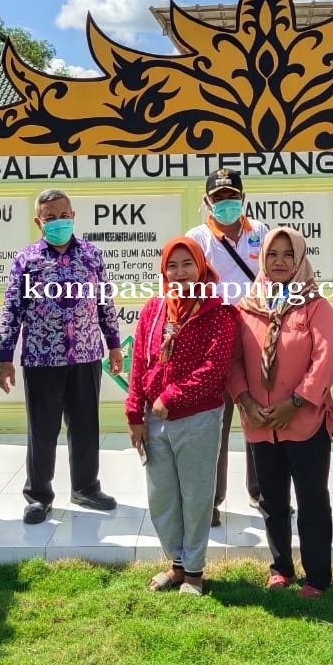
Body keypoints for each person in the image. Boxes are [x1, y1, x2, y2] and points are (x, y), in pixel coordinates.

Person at [0, 188, 124, 523]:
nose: (57, 222)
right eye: (49, 218)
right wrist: (5, 356)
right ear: (38, 221)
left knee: (85, 425)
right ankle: (38, 495)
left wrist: (114, 344)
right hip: (42, 358)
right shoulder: (27, 260)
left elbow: (104, 304)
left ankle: (86, 487)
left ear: (73, 216)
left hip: (85, 354)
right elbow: (12, 309)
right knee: (42, 429)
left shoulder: (92, 256)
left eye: (63, 215)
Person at [229, 227, 333, 598]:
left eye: (287, 255)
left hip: (304, 421)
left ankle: (317, 577)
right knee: (272, 501)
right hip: (260, 423)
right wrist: (244, 400)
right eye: (272, 254)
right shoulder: (248, 306)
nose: (279, 262)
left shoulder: (315, 305)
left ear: (299, 260)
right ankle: (281, 568)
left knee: (311, 501)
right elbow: (235, 362)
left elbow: (327, 358)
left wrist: (294, 402)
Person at [126, 237, 238, 596]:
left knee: (196, 495)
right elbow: (139, 364)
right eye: (172, 265)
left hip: (198, 417)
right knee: (162, 496)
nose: (180, 273)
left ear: (201, 266)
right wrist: (134, 413)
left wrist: (171, 397)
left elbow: (214, 368)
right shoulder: (153, 309)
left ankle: (194, 571)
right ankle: (175, 564)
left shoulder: (219, 313)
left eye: (187, 264)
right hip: (153, 419)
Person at [185, 167, 269, 527]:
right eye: (218, 198)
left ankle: (262, 492)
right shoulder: (197, 238)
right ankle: (211, 501)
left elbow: (274, 280)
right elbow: (186, 286)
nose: (226, 203)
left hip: (255, 338)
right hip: (213, 341)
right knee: (212, 425)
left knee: (259, 417)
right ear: (206, 202)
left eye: (232, 196)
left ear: (244, 198)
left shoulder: (262, 234)